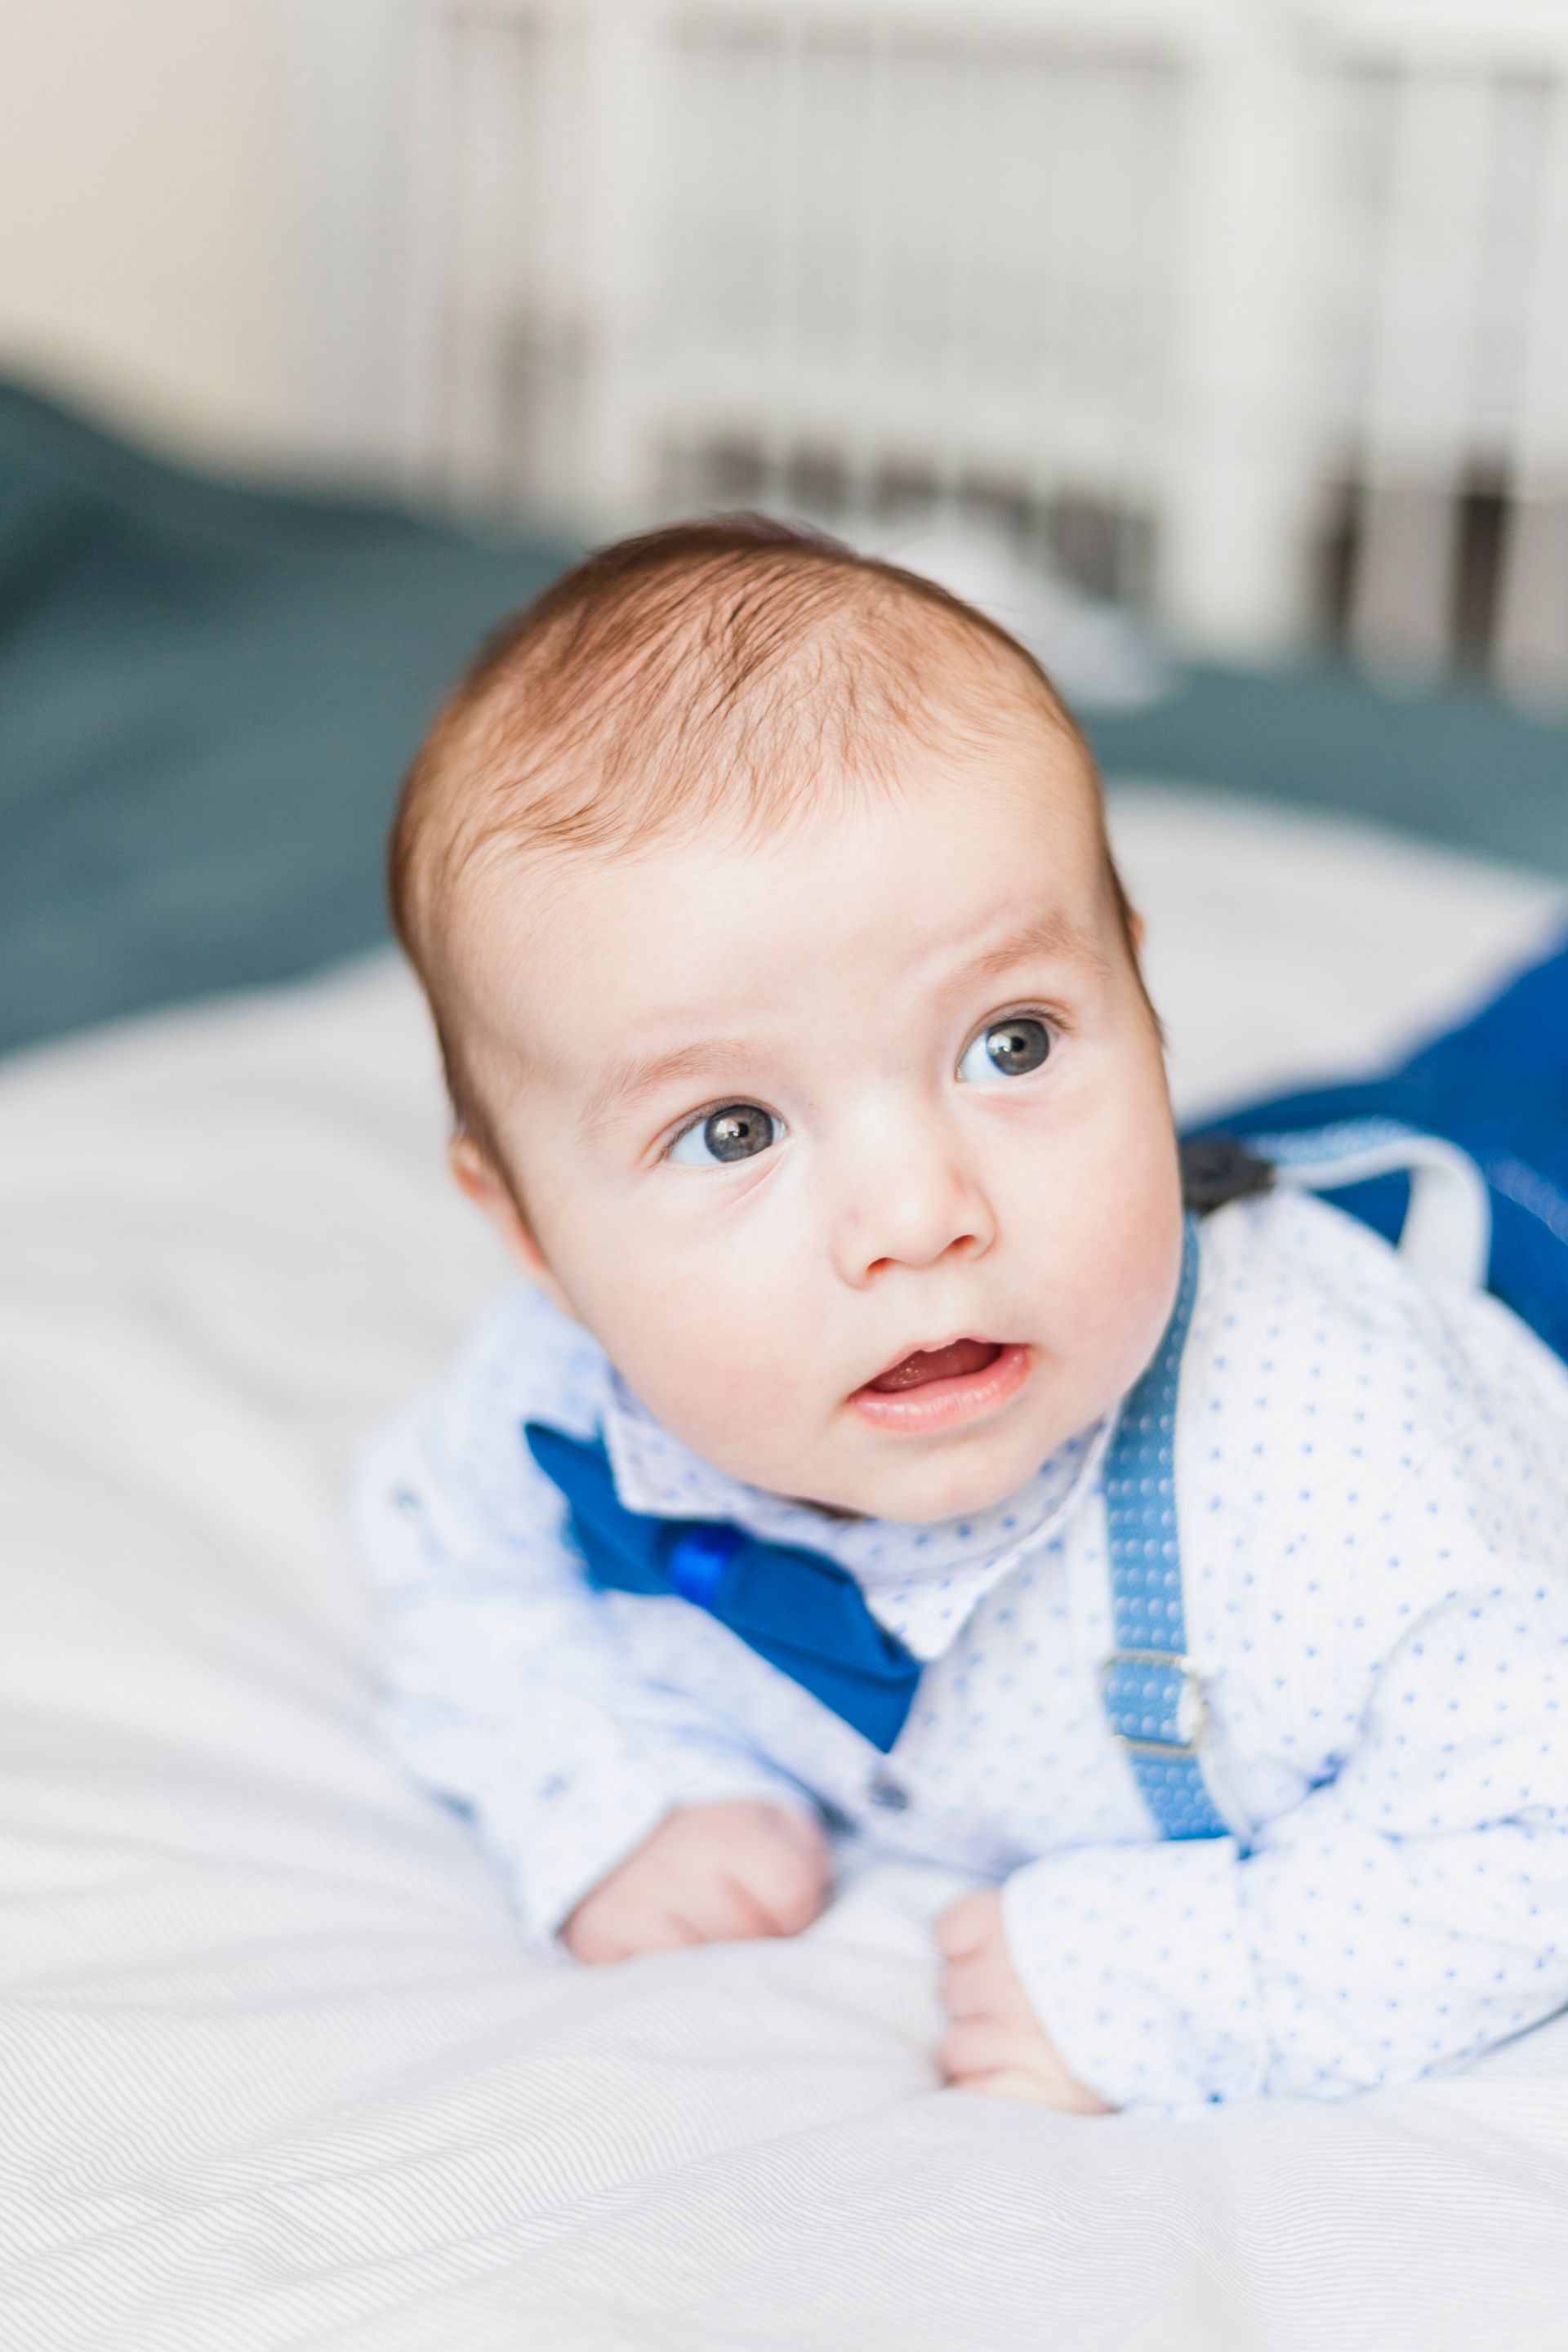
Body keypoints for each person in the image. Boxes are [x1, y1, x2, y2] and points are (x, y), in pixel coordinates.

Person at [356, 514, 1568, 2114]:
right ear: (527, 1228)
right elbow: (455, 1575)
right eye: (733, 1131)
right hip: (1198, 1191)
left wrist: (1172, 1978)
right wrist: (620, 1788)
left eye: (1012, 1039)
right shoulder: (562, 1403)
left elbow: (1535, 1823)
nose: (920, 1215)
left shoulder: (1337, 1463)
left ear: (1139, 1000)